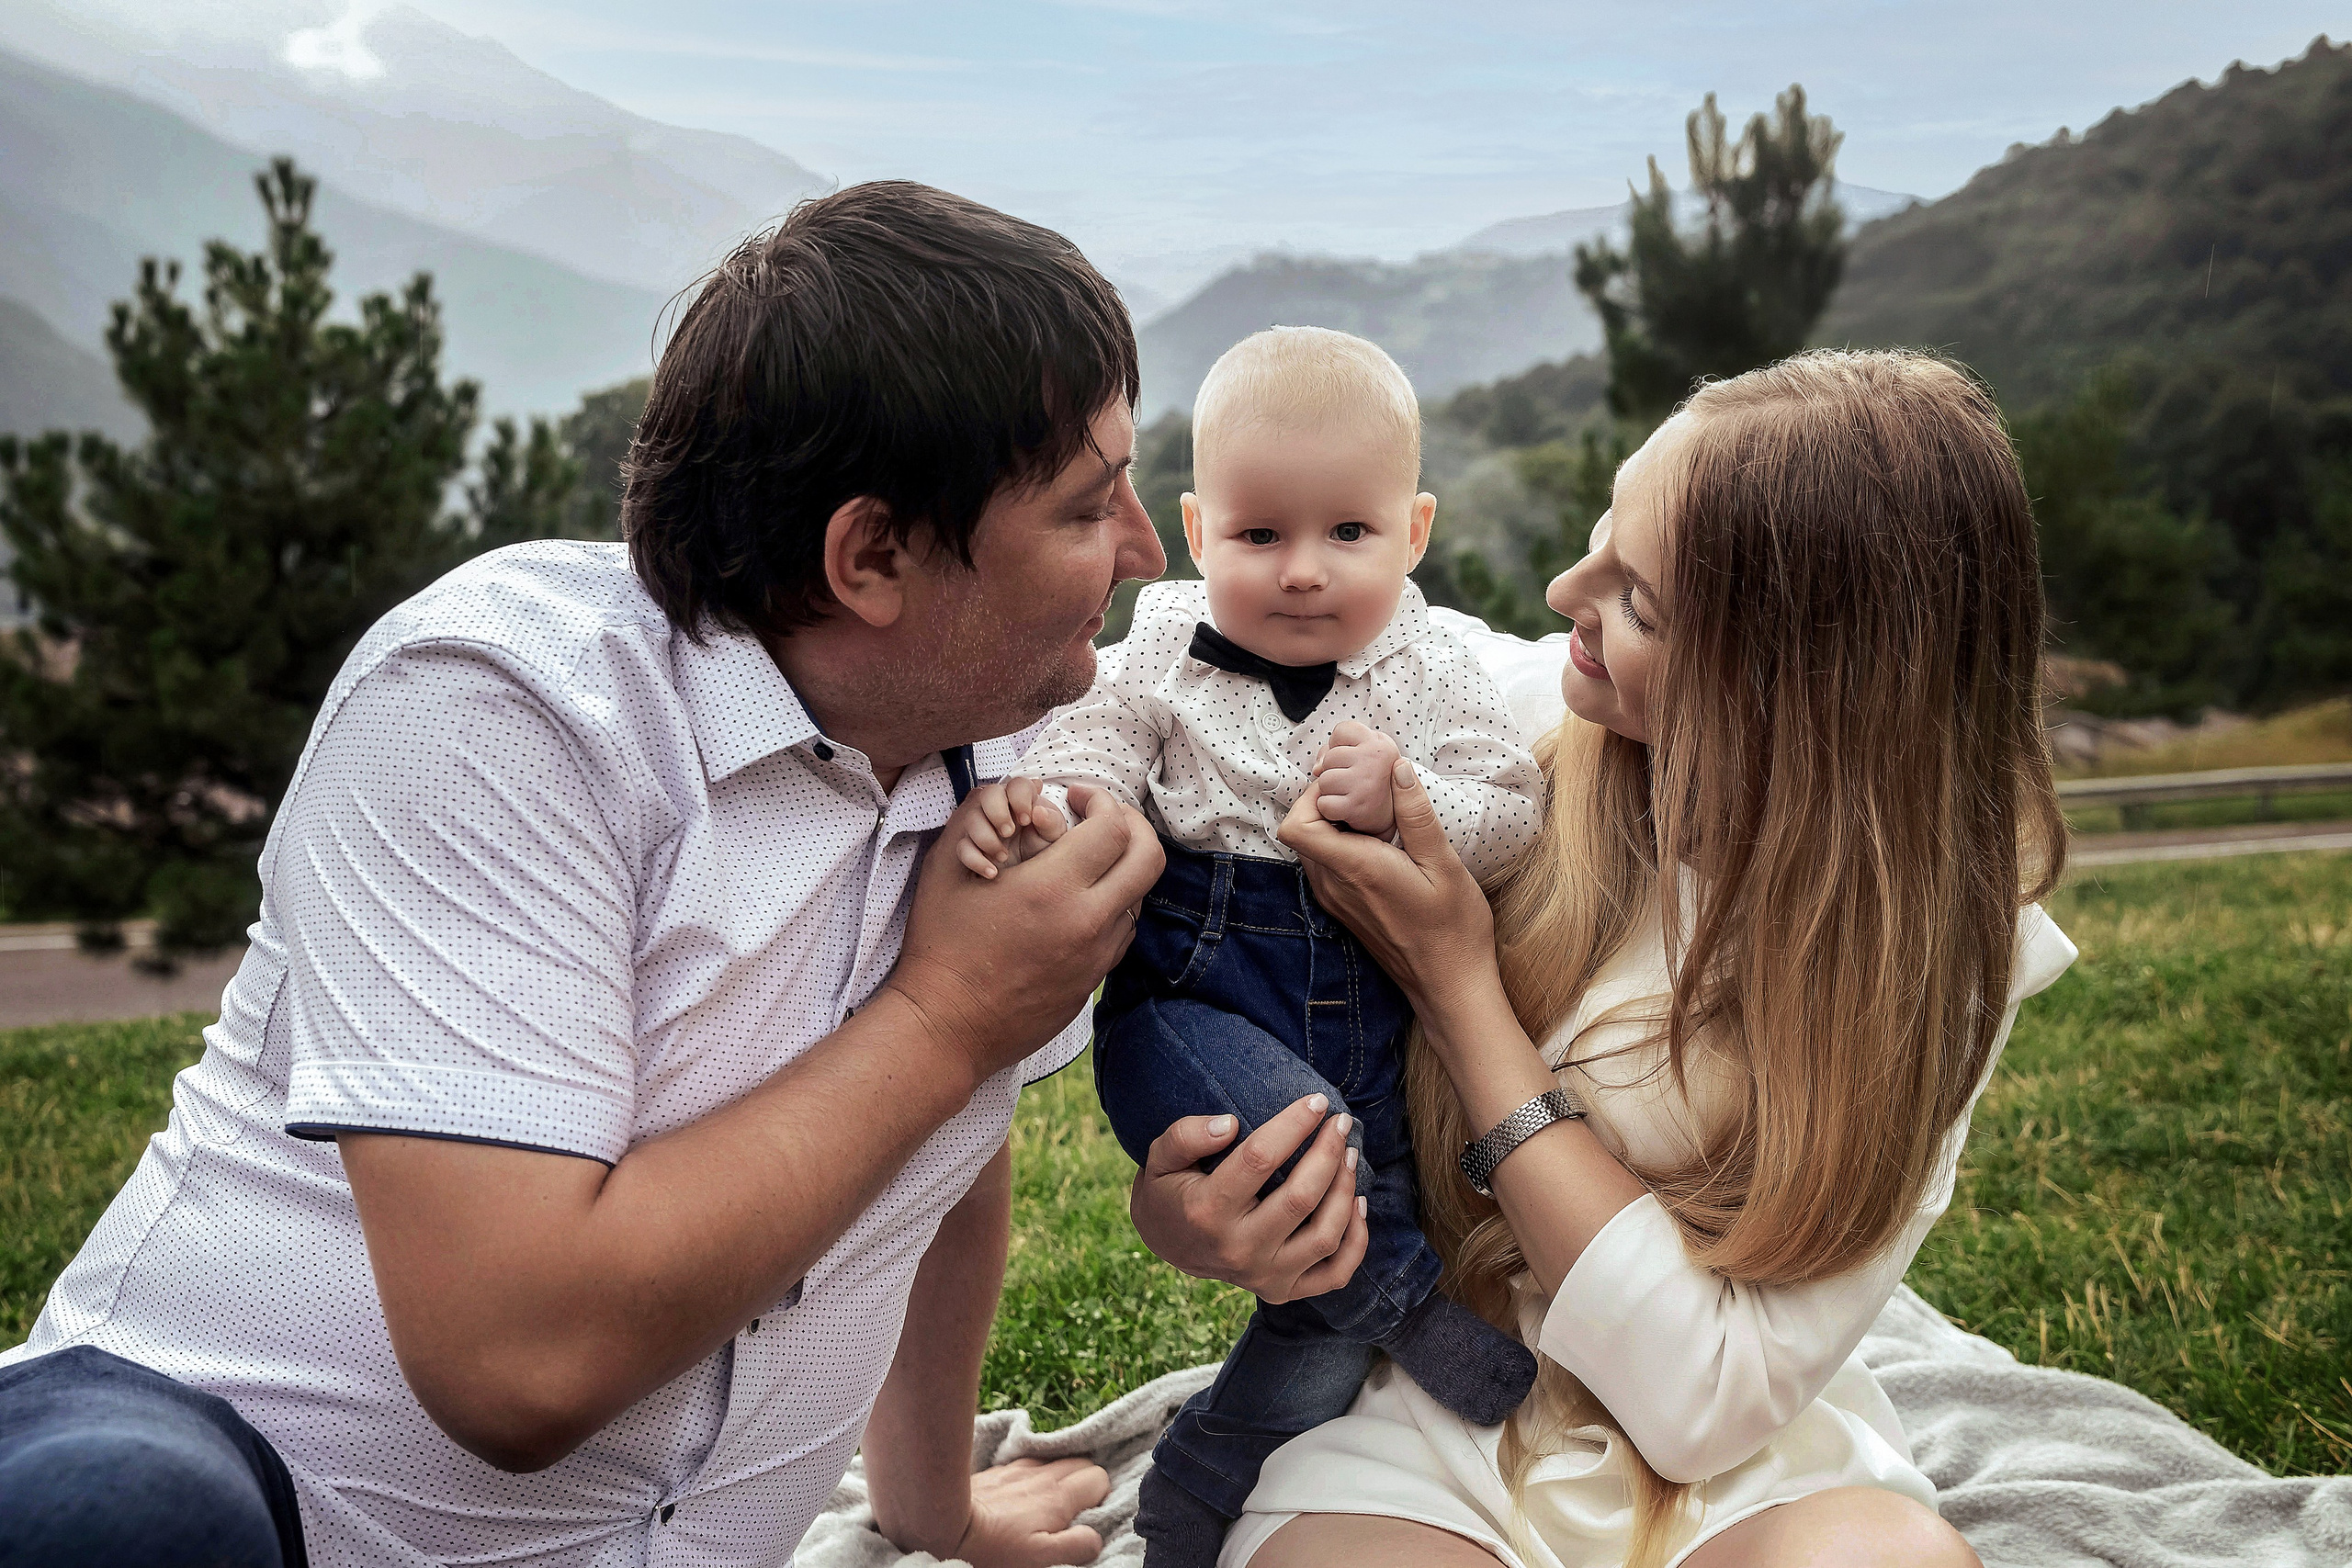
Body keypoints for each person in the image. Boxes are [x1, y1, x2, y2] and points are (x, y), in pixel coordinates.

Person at [0, 182, 1373, 1568]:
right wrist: (948, 1015)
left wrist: (935, 1512)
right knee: (109, 1521)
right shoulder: (500, 710)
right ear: (874, 555)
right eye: (1087, 508)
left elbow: (947, 1168)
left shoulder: (1023, 747)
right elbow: (517, 1365)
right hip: (241, 1488)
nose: (1143, 553)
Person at [1234, 349, 2079, 1568]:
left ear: (1794, 689)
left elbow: (1705, 1406)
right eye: (1599, 537)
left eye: (1639, 600)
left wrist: (1461, 990)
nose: (1564, 588)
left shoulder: (1938, 946)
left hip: (1751, 1473)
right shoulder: (1504, 734)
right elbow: (1219, 672)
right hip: (1431, 1407)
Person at [952, 327, 1545, 1565]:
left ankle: (1200, 1482)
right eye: (1262, 537)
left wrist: (1413, 801)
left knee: (1318, 1312)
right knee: (1307, 1156)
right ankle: (1412, 1310)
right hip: (1190, 992)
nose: (1304, 575)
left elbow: (1511, 807)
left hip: (1366, 1002)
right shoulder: (1165, 639)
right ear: (1200, 530)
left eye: (1350, 534)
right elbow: (1093, 738)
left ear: (1416, 533)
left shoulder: (1422, 663)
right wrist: (1081, 808)